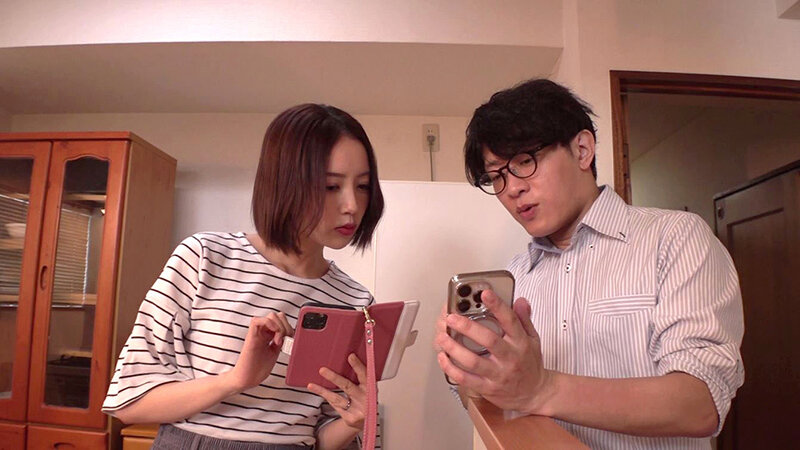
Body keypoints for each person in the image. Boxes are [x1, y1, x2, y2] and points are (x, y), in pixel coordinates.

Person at [434, 79, 744, 449]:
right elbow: (494, 401)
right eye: (497, 176)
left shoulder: (675, 238)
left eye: (524, 162)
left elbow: (701, 402)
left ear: (582, 150)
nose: (512, 188)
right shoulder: (514, 277)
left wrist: (542, 389)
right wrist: (471, 369)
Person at [103, 103, 385, 450]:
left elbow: (316, 438)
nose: (352, 205)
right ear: (285, 183)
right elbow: (129, 401)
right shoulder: (204, 257)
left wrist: (353, 421)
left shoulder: (355, 301)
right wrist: (235, 380)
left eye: (363, 186)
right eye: (331, 186)